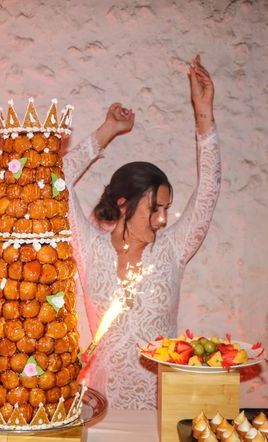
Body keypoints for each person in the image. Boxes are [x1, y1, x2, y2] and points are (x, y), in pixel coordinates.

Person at [65, 56, 220, 409]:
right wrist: (107, 131)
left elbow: (208, 188)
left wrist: (203, 113)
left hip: (164, 402)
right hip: (101, 402)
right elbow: (54, 180)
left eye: (166, 209)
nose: (162, 219)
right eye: (155, 208)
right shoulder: (90, 249)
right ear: (123, 204)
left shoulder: (174, 250)